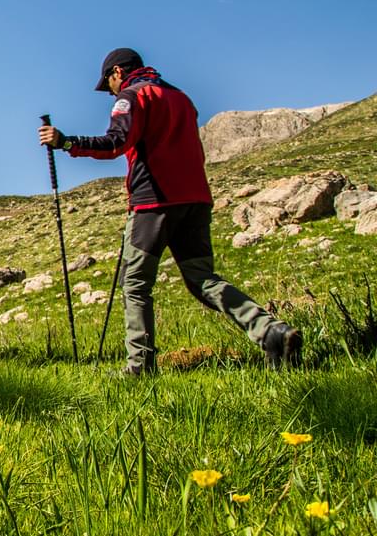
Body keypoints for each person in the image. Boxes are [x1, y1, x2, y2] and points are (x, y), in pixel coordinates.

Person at [38, 47, 303, 374]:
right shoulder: (182, 98)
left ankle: (139, 367)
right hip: (195, 200)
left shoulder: (133, 98)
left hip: (154, 203)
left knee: (135, 283)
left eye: (108, 84)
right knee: (202, 279)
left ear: (118, 72)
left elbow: (115, 142)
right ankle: (270, 331)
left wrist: (66, 142)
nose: (110, 92)